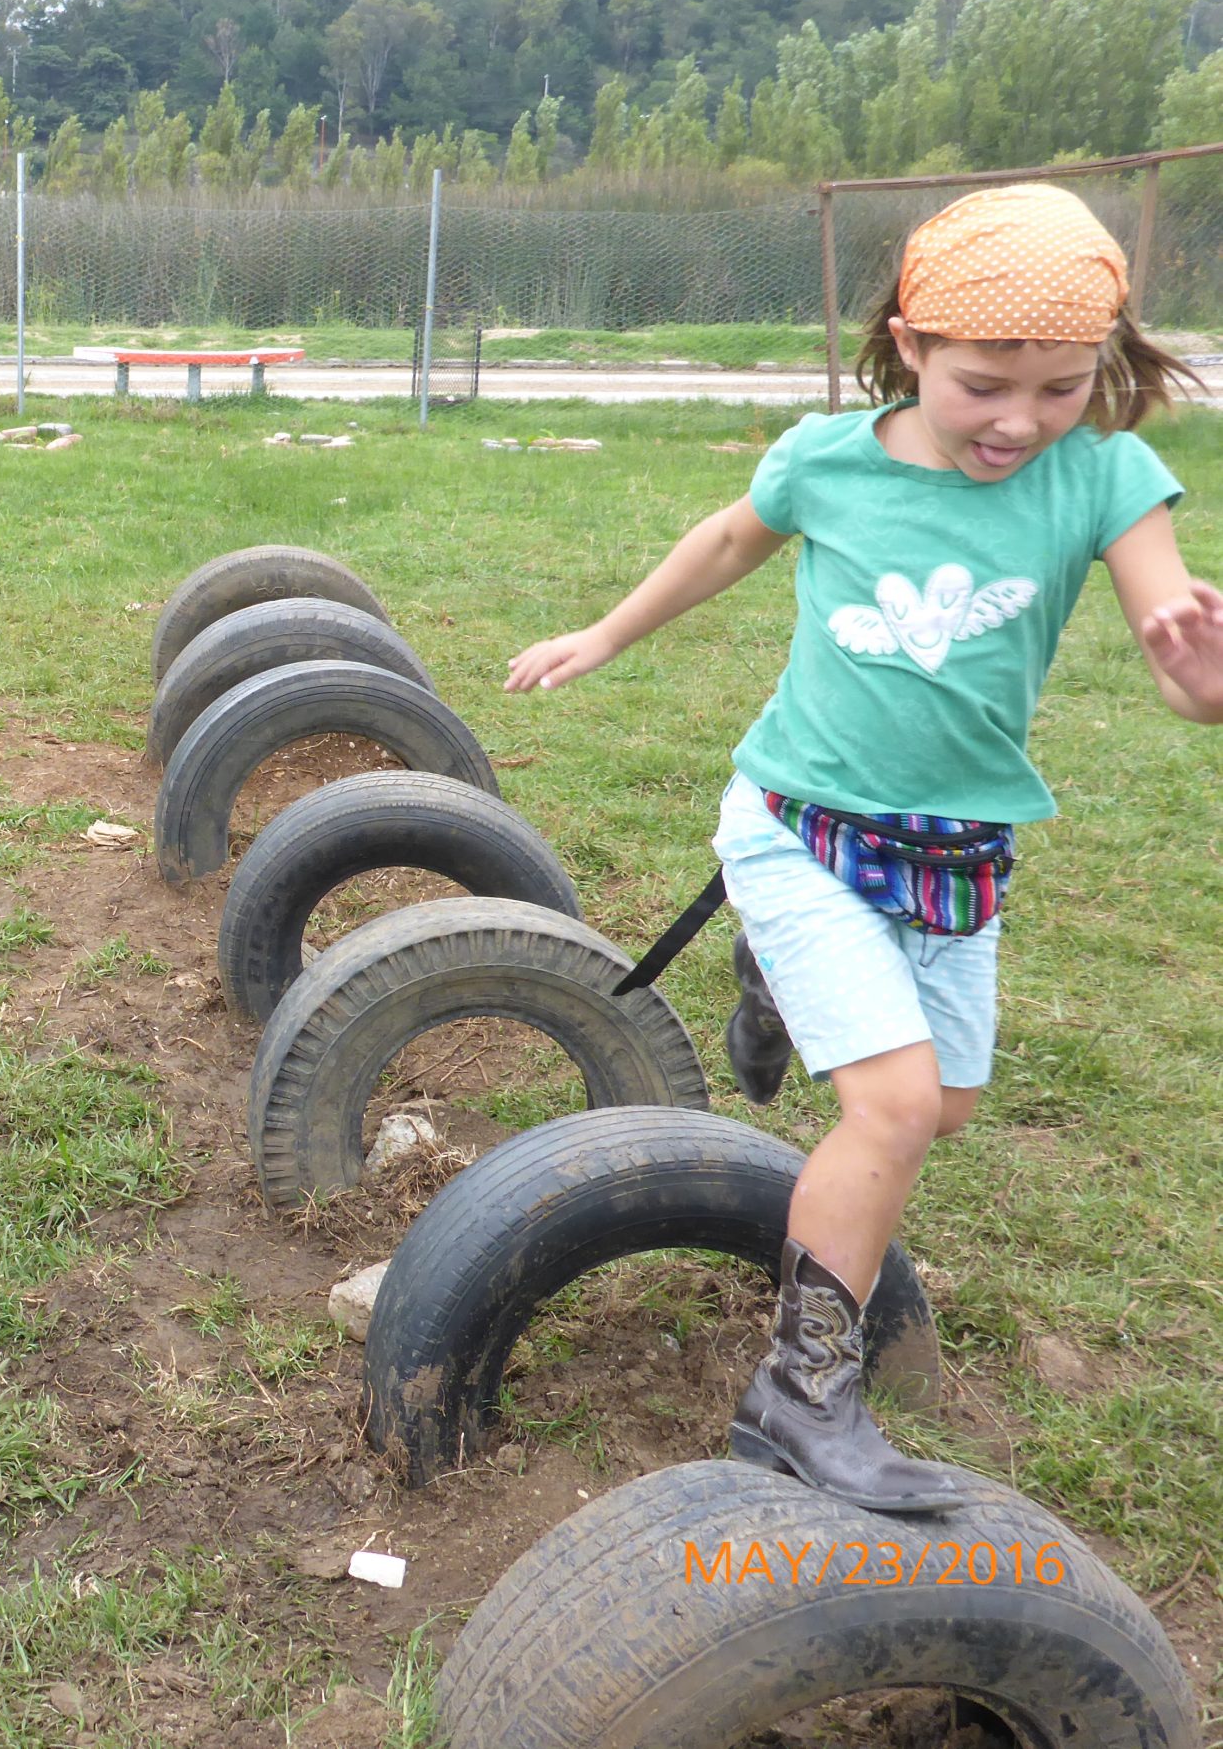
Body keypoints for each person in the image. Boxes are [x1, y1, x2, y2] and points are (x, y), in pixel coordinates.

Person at [507, 184, 1223, 1511]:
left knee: (939, 1105)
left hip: (957, 850)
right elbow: (729, 538)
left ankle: (776, 987)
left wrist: (1205, 679)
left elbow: (1173, 648)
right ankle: (799, 1391)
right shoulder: (828, 459)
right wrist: (602, 634)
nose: (1020, 421)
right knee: (887, 1108)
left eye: (1061, 387)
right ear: (909, 343)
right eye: (984, 385)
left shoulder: (1107, 474)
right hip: (798, 824)